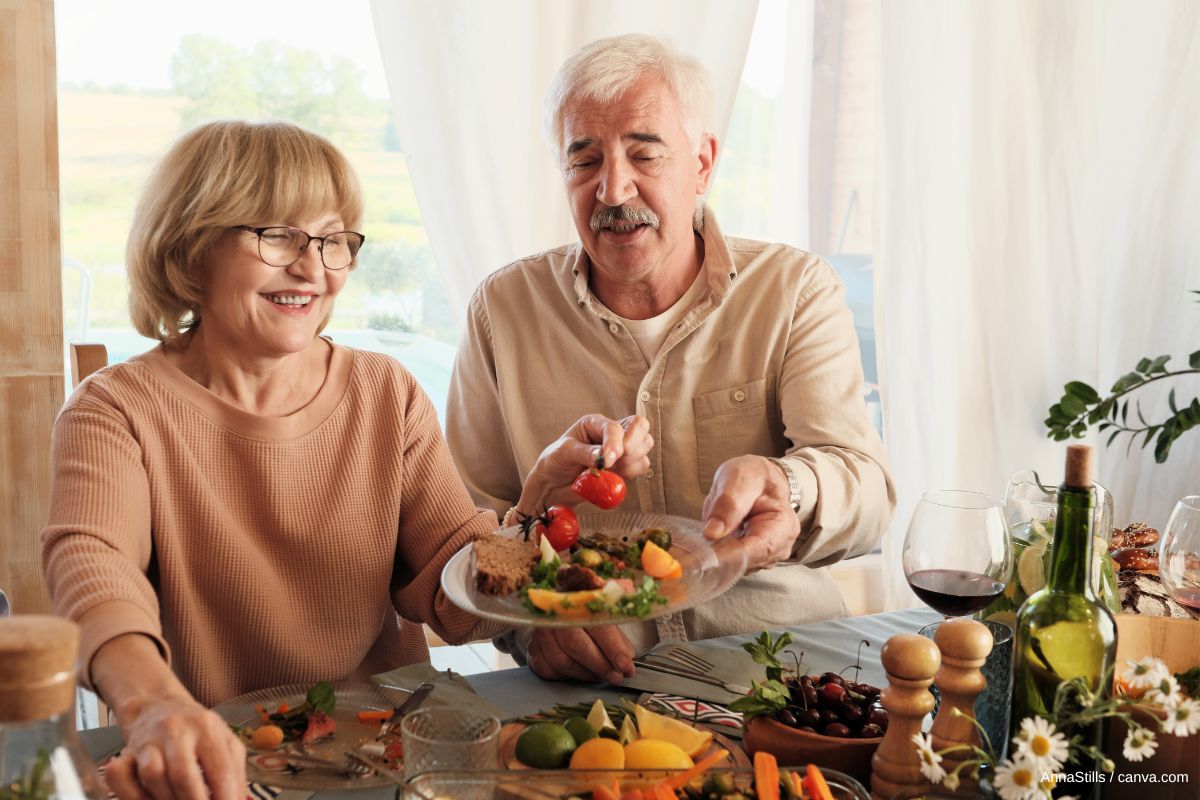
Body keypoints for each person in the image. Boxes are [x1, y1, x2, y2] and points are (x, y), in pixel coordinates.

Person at [41, 121, 508, 800]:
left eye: (333, 239)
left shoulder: (387, 392)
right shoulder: (114, 412)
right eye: (278, 235)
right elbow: (92, 570)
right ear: (192, 245)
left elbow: (453, 584)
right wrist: (150, 706)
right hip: (209, 764)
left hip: (386, 753)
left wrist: (537, 545)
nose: (314, 267)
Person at [446, 34, 895, 685]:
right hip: (590, 683)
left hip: (783, 667)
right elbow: (465, 528)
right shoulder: (503, 309)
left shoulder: (794, 290)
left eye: (644, 152)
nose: (612, 188)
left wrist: (790, 488)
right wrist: (522, 627)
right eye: (584, 160)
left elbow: (869, 492)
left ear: (703, 164)